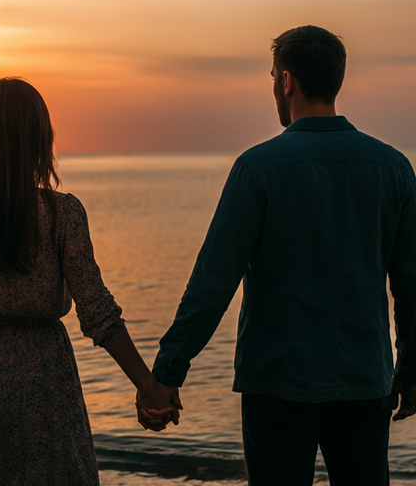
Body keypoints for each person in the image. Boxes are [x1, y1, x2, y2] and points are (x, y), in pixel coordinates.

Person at [140, 26, 416, 485]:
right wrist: (410, 367)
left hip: (278, 382)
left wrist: (167, 373)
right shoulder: (393, 168)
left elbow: (213, 281)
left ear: (286, 81)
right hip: (364, 378)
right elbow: (409, 283)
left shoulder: (258, 169)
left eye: (272, 75)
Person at [0, 77, 179, 486]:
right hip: (46, 388)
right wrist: (147, 385)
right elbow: (98, 313)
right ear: (40, 139)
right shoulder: (62, 215)